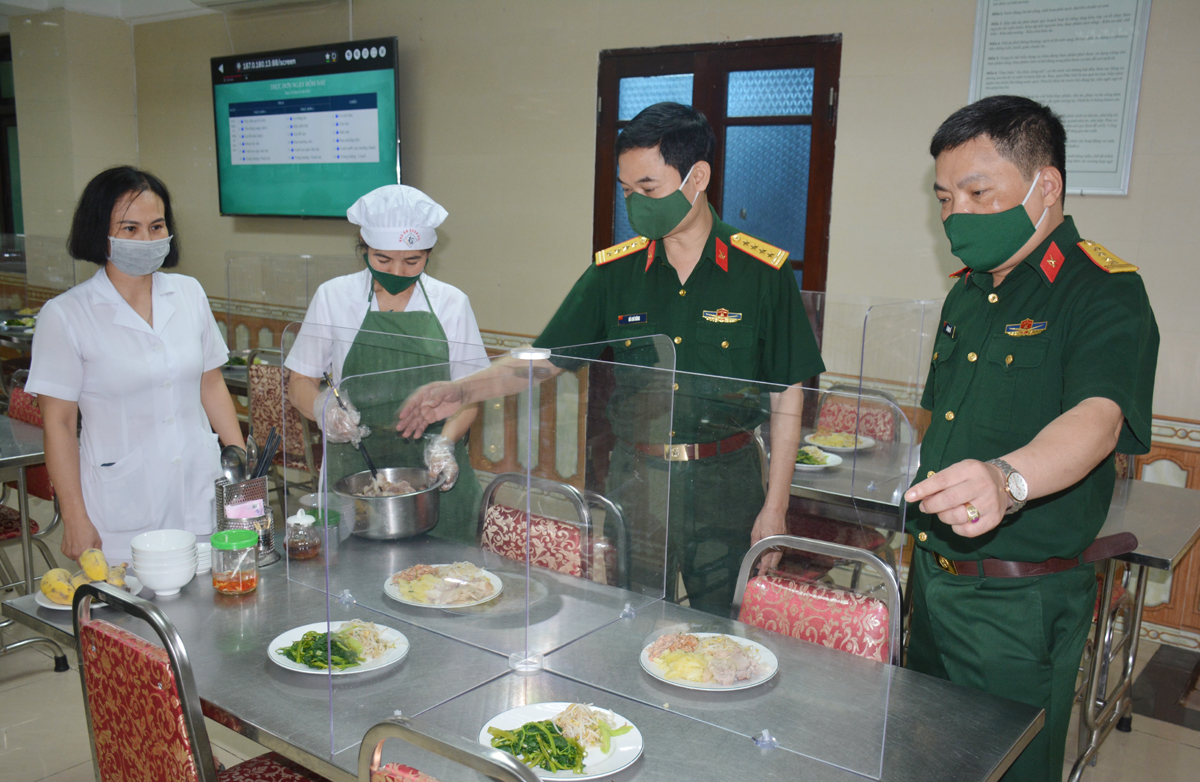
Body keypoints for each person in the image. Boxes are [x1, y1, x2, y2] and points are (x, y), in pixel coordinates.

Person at [398, 103, 824, 615]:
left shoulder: (762, 272)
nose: (635, 203)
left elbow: (786, 393)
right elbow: (547, 359)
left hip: (725, 483)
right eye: (626, 191)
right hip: (637, 481)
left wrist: (775, 506)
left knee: (723, 628)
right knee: (631, 620)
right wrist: (465, 390)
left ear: (698, 177)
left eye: (648, 189)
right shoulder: (614, 273)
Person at [903, 95, 1159, 782]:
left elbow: (1099, 420)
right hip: (932, 583)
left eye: (977, 192)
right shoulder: (968, 293)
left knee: (1010, 770)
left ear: (1046, 187)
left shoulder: (1102, 292)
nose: (955, 214)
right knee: (924, 759)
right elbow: (942, 421)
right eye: (944, 197)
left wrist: (1006, 480)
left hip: (1018, 602)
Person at [27, 166, 244, 563]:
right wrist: (74, 517)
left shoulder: (188, 293)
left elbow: (210, 385)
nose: (146, 239)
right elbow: (57, 424)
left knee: (215, 606)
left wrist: (242, 478)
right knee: (131, 618)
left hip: (199, 487)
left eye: (156, 226)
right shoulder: (65, 315)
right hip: (121, 505)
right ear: (100, 233)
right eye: (130, 228)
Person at [285, 185, 489, 545]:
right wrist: (325, 409)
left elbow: (470, 395)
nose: (397, 271)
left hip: (433, 478)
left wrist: (444, 443)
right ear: (363, 250)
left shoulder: (452, 304)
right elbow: (300, 379)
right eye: (382, 259)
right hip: (355, 471)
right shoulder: (334, 297)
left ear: (429, 254)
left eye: (412, 261)